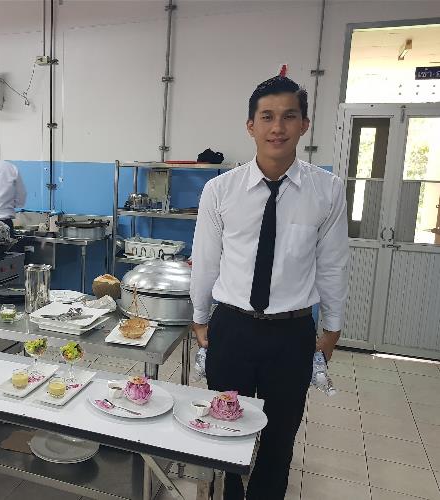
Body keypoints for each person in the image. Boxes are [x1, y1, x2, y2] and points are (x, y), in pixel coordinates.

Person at [189, 76, 349, 500]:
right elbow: (206, 261)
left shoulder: (327, 190)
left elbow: (332, 264)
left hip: (292, 333)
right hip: (232, 328)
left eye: (289, 116)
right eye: (267, 117)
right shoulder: (219, 190)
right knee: (224, 428)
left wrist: (332, 328)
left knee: (280, 437)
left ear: (304, 124)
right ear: (251, 125)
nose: (278, 127)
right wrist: (200, 319)